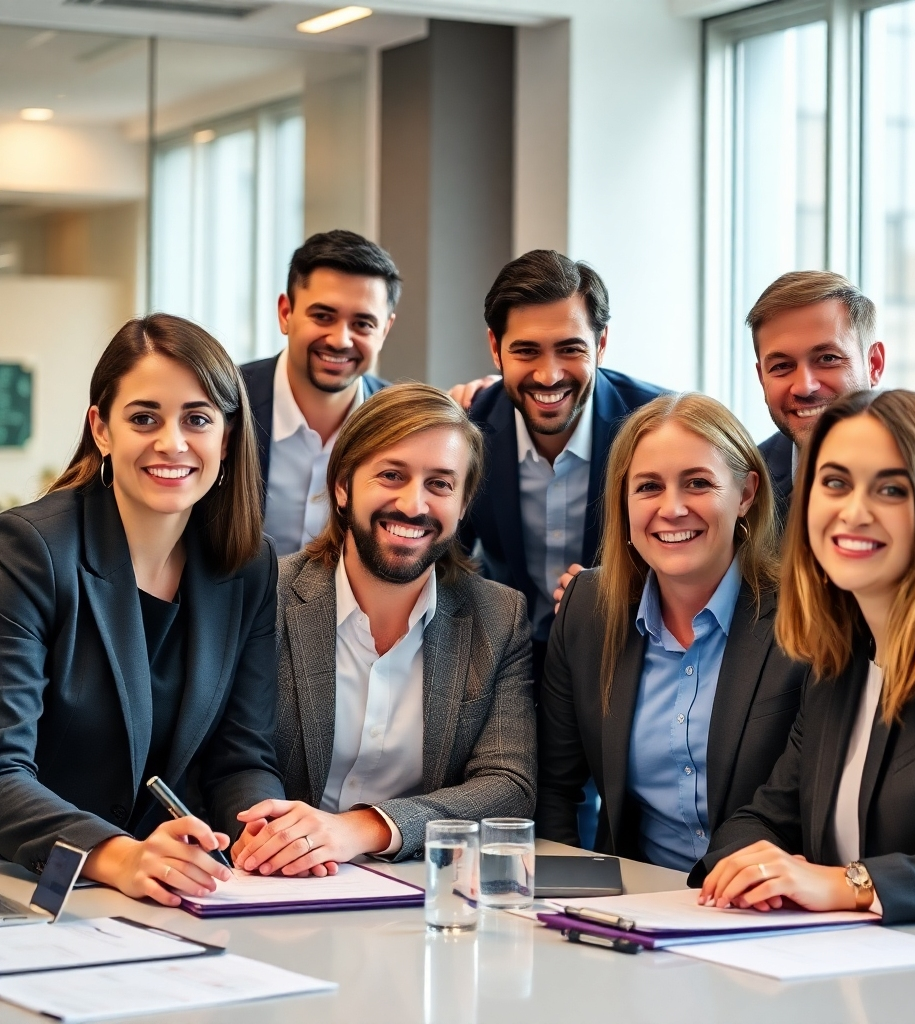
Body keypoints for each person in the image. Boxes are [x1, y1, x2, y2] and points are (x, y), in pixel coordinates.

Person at [694, 389, 915, 941]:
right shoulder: (841, 654)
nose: (853, 512)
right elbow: (765, 819)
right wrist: (752, 873)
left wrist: (850, 883)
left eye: (890, 489)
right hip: (853, 967)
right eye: (835, 483)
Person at [0, 314, 285, 908]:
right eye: (144, 418)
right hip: (37, 886)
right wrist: (119, 854)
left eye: (197, 419)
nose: (172, 443)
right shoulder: (29, 550)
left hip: (171, 893)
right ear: (101, 429)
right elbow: (3, 773)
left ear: (226, 438)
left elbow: (240, 758)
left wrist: (265, 830)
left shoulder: (248, 565)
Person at [231, 383, 536, 873]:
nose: (414, 505)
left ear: (463, 504)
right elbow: (238, 755)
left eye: (440, 484)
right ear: (343, 486)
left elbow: (507, 785)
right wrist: (278, 838)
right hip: (278, 879)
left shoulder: (498, 618)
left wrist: (363, 828)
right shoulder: (268, 595)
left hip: (418, 887)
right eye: (392, 475)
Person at [536, 393, 807, 871]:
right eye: (648, 487)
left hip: (765, 900)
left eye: (698, 483)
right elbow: (556, 788)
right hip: (632, 899)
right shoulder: (587, 609)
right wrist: (571, 891)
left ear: (745, 494)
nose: (672, 508)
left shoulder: (805, 617)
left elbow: (800, 800)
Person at [460, 250, 664, 684]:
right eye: (526, 351)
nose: (549, 376)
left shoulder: (657, 425)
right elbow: (442, 558)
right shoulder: (465, 431)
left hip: (630, 657)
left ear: (601, 345)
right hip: (505, 663)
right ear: (496, 349)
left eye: (570, 349)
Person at [749, 270, 915, 545]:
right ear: (762, 379)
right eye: (782, 366)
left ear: (874, 364)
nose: (804, 386)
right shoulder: (751, 477)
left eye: (828, 358)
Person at [241, 230, 400, 556]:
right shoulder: (225, 400)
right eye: (323, 316)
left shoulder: (402, 423)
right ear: (286, 313)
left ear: (384, 330)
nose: (340, 340)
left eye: (363, 324)